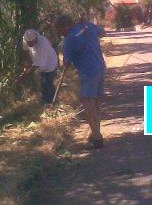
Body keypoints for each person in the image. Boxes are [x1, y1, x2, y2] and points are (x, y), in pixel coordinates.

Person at [54, 14, 107, 149]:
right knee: (96, 103)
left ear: (66, 26)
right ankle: (95, 132)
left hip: (88, 72)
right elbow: (103, 32)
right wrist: (86, 30)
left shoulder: (69, 39)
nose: (60, 32)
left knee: (87, 102)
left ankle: (97, 137)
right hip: (100, 67)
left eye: (60, 29)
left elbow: (66, 62)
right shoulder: (88, 26)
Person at [20, 29, 58, 104]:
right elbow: (26, 51)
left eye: (32, 43)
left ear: (36, 38)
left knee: (47, 82)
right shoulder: (25, 40)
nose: (30, 44)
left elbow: (36, 66)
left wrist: (23, 76)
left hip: (49, 64)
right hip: (40, 62)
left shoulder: (42, 45)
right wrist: (27, 64)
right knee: (45, 83)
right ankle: (48, 98)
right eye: (29, 43)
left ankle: (50, 102)